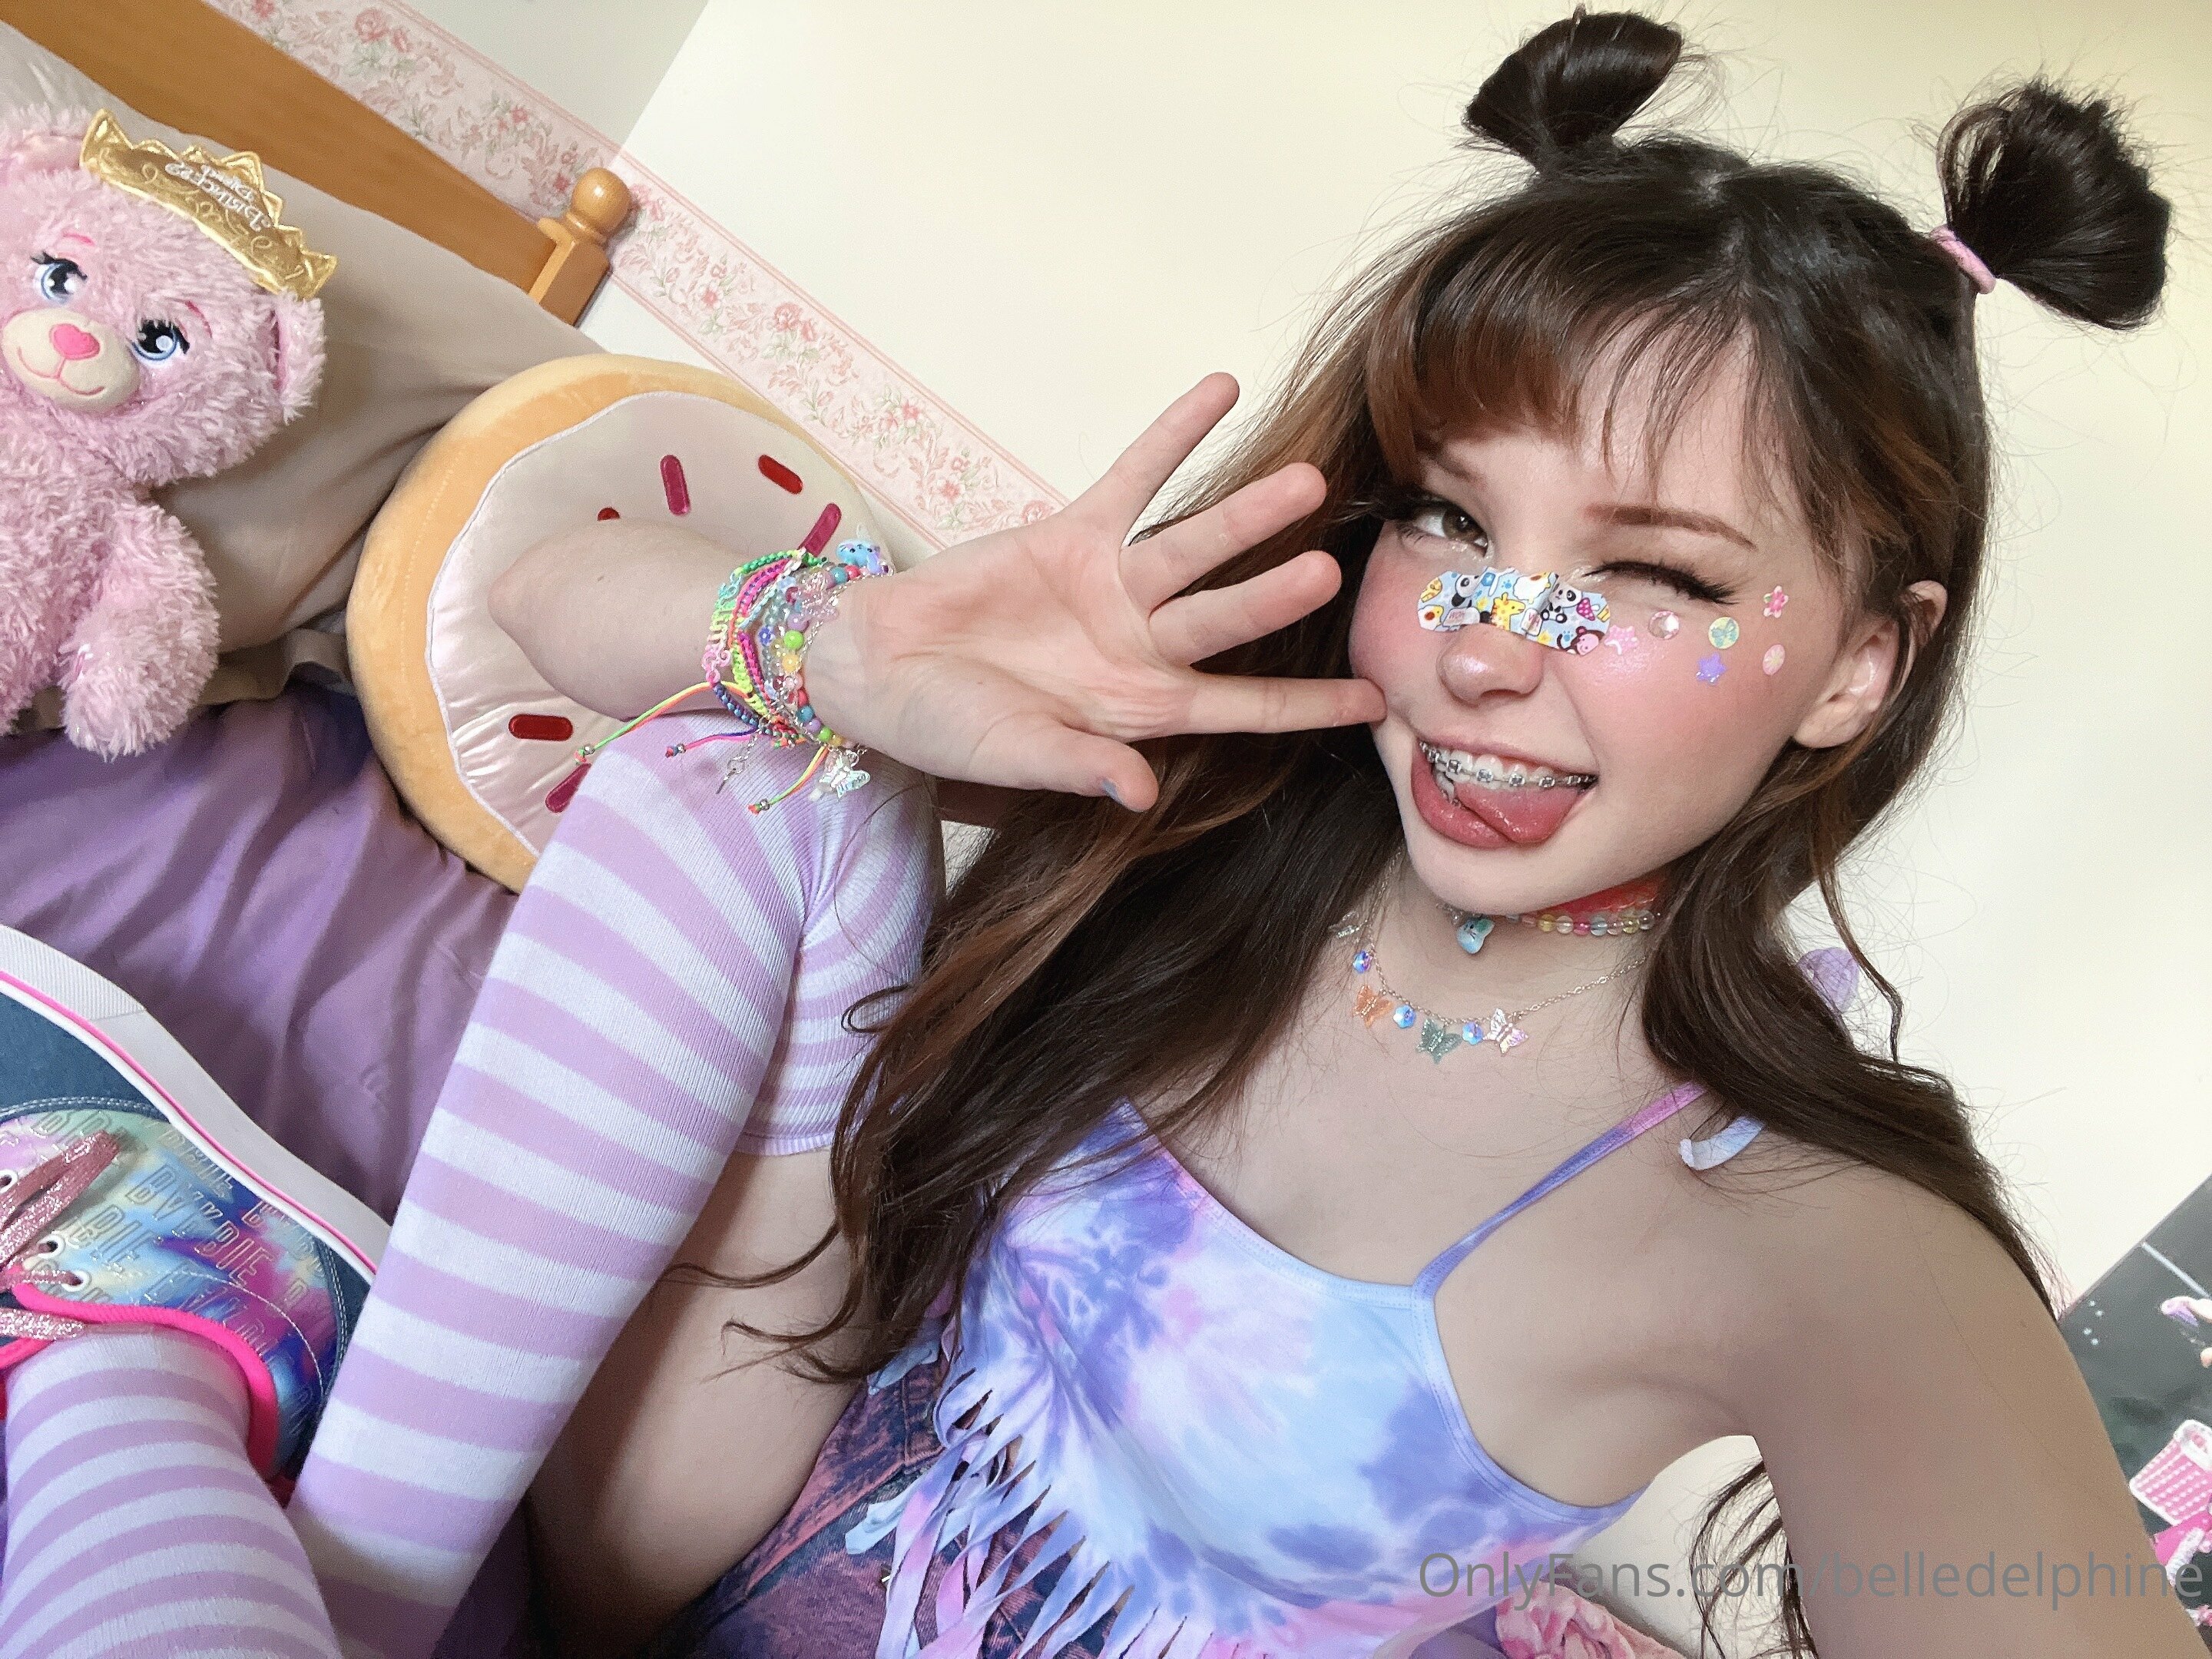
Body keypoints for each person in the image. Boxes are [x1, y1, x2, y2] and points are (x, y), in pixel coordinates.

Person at [15, 9, 2191, 1657]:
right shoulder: (1247, 778)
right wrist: (843, 642)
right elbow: (540, 608)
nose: (1484, 654)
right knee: (758, 768)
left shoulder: (1807, 1223)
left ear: (1857, 667)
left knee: (110, 1391)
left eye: (1656, 576)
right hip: (658, 1518)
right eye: (1452, 523)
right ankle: (351, 1576)